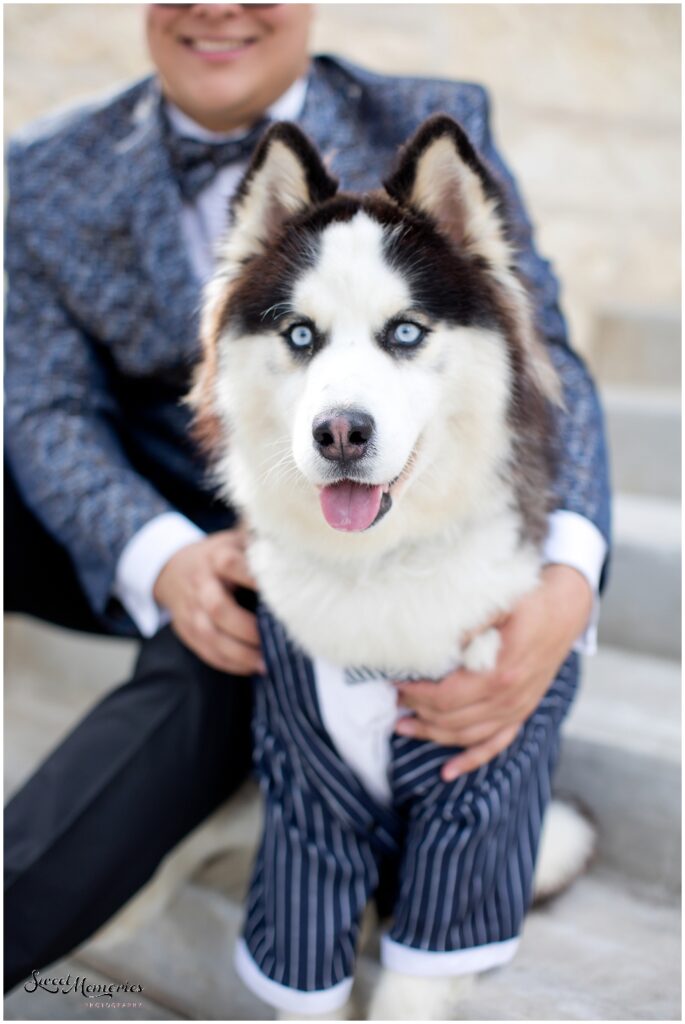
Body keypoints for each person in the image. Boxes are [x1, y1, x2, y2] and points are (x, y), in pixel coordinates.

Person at [4, 3, 610, 994]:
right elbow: (41, 405)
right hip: (180, 498)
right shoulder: (49, 165)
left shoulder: (427, 115)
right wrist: (160, 553)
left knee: (215, 684)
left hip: (360, 526)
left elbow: (547, 359)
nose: (215, 4)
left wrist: (570, 571)